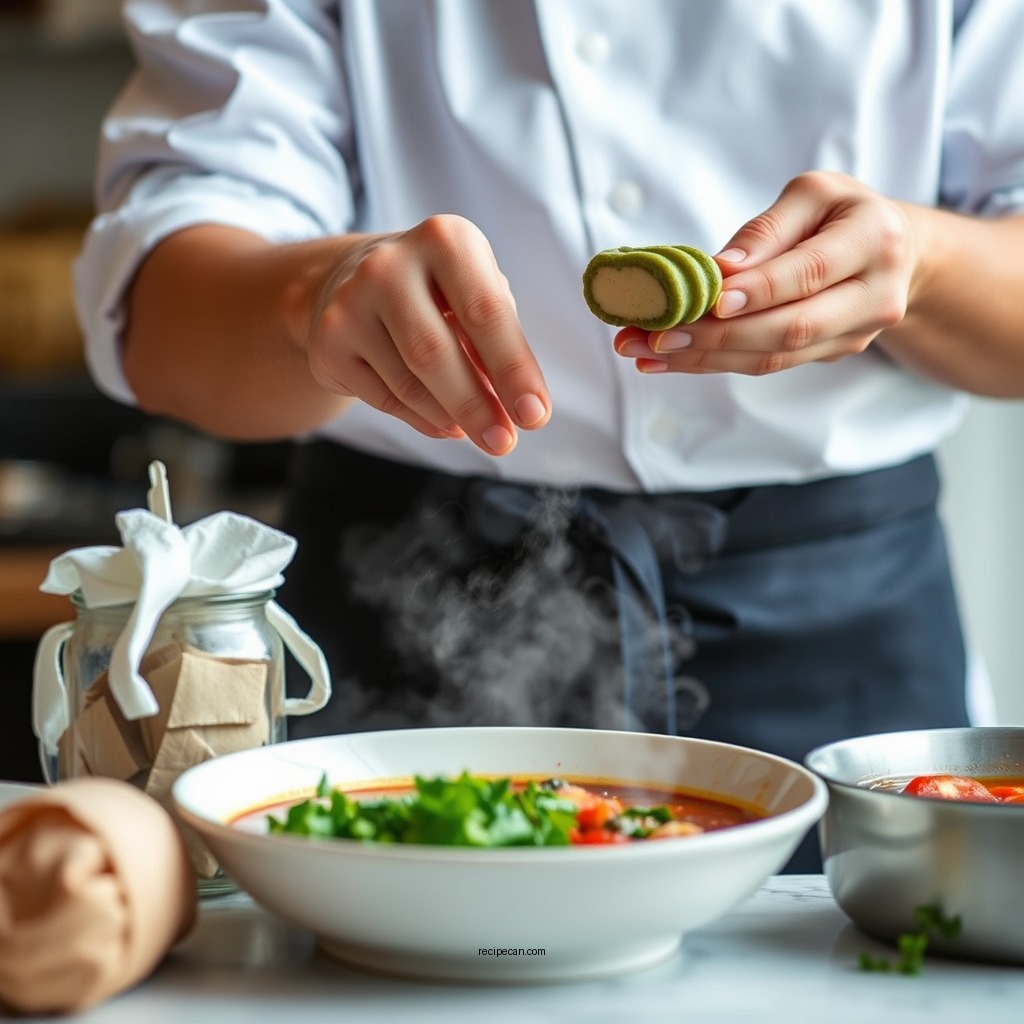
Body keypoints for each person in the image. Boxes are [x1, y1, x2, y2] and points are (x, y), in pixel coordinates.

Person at [74, 1, 1024, 870]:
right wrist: (309, 297)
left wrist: (925, 261)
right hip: (411, 587)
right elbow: (155, 316)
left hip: (844, 611)